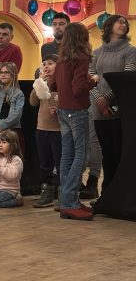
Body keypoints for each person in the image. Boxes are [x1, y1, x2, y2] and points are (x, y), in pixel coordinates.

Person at [50, 23, 95, 221]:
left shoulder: (61, 60)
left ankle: (67, 201)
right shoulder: (81, 57)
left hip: (63, 110)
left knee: (67, 156)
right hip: (77, 110)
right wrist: (92, 81)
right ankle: (70, 202)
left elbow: (53, 84)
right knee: (81, 156)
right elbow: (79, 89)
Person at [89, 15, 136, 195]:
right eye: (119, 22)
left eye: (125, 23)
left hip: (120, 107)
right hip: (98, 108)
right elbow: (89, 79)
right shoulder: (96, 53)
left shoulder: (131, 51)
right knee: (107, 155)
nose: (123, 25)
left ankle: (118, 196)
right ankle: (106, 194)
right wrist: (99, 99)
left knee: (119, 155)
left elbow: (127, 78)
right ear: (109, 26)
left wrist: (106, 99)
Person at [29, 54, 61, 208]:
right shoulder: (42, 83)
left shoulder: (62, 83)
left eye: (50, 63)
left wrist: (59, 109)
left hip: (58, 129)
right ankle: (47, 193)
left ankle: (62, 194)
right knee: (45, 163)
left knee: (60, 163)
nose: (46, 66)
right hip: (42, 128)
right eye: (44, 64)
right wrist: (39, 82)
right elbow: (33, 102)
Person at [0, 62, 25, 155]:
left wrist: (3, 124)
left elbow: (17, 113)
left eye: (6, 72)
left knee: (12, 157)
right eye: (1, 72)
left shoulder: (18, 93)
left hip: (13, 130)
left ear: (13, 75)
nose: (3, 75)